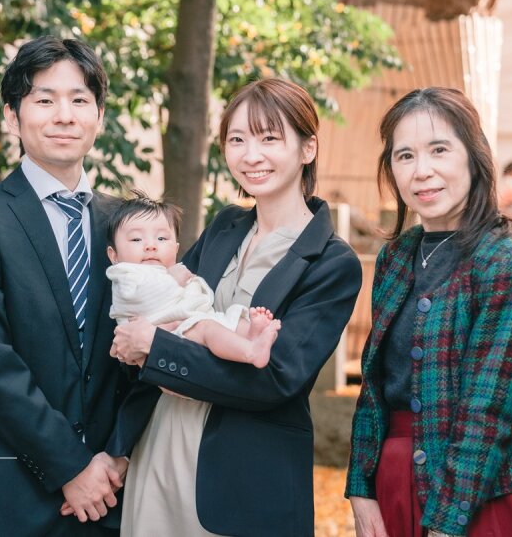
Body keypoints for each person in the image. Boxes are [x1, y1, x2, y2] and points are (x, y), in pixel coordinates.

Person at [107, 78, 362, 537]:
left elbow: (276, 378)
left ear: (308, 148)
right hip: (162, 448)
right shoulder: (225, 226)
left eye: (269, 138)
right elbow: (165, 307)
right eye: (237, 139)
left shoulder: (331, 261)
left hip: (243, 478)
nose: (250, 155)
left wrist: (157, 349)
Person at [0, 36, 130, 537]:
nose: (64, 115)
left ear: (99, 116)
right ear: (12, 115)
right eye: (45, 100)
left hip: (112, 493)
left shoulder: (125, 224)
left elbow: (145, 353)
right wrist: (70, 467)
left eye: (80, 100)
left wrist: (116, 456)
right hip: (8, 496)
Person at [346, 87, 512, 537]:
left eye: (439, 149)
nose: (422, 171)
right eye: (404, 156)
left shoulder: (506, 262)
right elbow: (373, 385)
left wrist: (445, 524)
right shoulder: (396, 257)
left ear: (473, 157)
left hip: (478, 495)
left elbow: (489, 413)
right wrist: (361, 488)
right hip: (393, 485)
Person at [106, 190, 280, 368]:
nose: (151, 246)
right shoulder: (125, 275)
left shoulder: (169, 271)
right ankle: (250, 352)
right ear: (114, 255)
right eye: (136, 239)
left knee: (230, 318)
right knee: (207, 328)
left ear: (175, 248)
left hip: (186, 323)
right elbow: (141, 298)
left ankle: (251, 334)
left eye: (161, 238)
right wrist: (173, 281)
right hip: (167, 335)